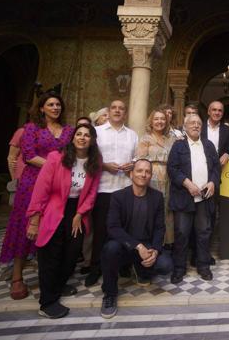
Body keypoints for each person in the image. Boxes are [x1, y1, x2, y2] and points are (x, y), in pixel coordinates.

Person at [0, 92, 74, 300]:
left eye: (58, 104)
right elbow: (29, 155)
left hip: (59, 185)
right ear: (41, 108)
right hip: (32, 182)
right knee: (24, 227)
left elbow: (72, 154)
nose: (55, 108)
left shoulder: (69, 131)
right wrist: (54, 166)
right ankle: (17, 277)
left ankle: (50, 277)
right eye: (50, 104)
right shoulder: (32, 128)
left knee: (53, 228)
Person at [25, 124, 101, 318]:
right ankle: (47, 303)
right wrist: (34, 220)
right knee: (51, 255)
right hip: (54, 210)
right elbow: (41, 190)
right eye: (79, 134)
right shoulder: (56, 158)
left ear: (92, 140)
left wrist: (80, 213)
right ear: (73, 137)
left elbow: (92, 192)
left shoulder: (95, 161)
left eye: (87, 135)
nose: (82, 138)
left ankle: (57, 286)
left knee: (72, 253)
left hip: (77, 213)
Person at [100, 159, 173, 319]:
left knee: (166, 265)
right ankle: (110, 294)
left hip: (146, 247)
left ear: (150, 176)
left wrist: (155, 250)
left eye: (147, 172)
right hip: (124, 246)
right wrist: (137, 246)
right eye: (139, 171)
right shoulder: (118, 196)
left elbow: (160, 227)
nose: (143, 174)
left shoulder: (157, 197)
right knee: (110, 249)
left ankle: (141, 270)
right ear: (131, 174)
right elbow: (113, 228)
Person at [85, 100, 138, 287]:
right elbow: (88, 157)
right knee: (100, 230)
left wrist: (132, 164)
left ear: (125, 113)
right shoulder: (97, 132)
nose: (117, 111)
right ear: (109, 111)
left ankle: (122, 265)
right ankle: (95, 268)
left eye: (121, 108)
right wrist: (105, 165)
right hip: (103, 188)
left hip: (124, 188)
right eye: (114, 108)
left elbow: (136, 158)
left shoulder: (132, 135)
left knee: (123, 229)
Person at [168, 114, 220, 284]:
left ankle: (203, 266)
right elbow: (172, 169)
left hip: (205, 198)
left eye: (199, 123)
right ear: (185, 126)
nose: (196, 125)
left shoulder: (209, 145)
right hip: (184, 197)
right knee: (182, 233)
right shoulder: (178, 145)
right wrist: (188, 184)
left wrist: (212, 182)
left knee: (204, 233)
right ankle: (179, 269)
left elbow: (216, 167)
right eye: (192, 123)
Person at [136, 109, 177, 246]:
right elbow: (141, 160)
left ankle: (167, 242)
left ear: (166, 122)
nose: (160, 122)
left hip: (169, 177)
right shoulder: (145, 139)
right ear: (151, 122)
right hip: (150, 176)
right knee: (150, 208)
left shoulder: (172, 138)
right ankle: (149, 242)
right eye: (156, 119)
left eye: (163, 119)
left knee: (167, 209)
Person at [201, 100, 229, 167]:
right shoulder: (199, 127)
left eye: (220, 110)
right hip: (201, 166)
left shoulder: (227, 130)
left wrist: (227, 154)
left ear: (222, 113)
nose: (217, 113)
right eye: (214, 110)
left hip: (219, 167)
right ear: (208, 112)